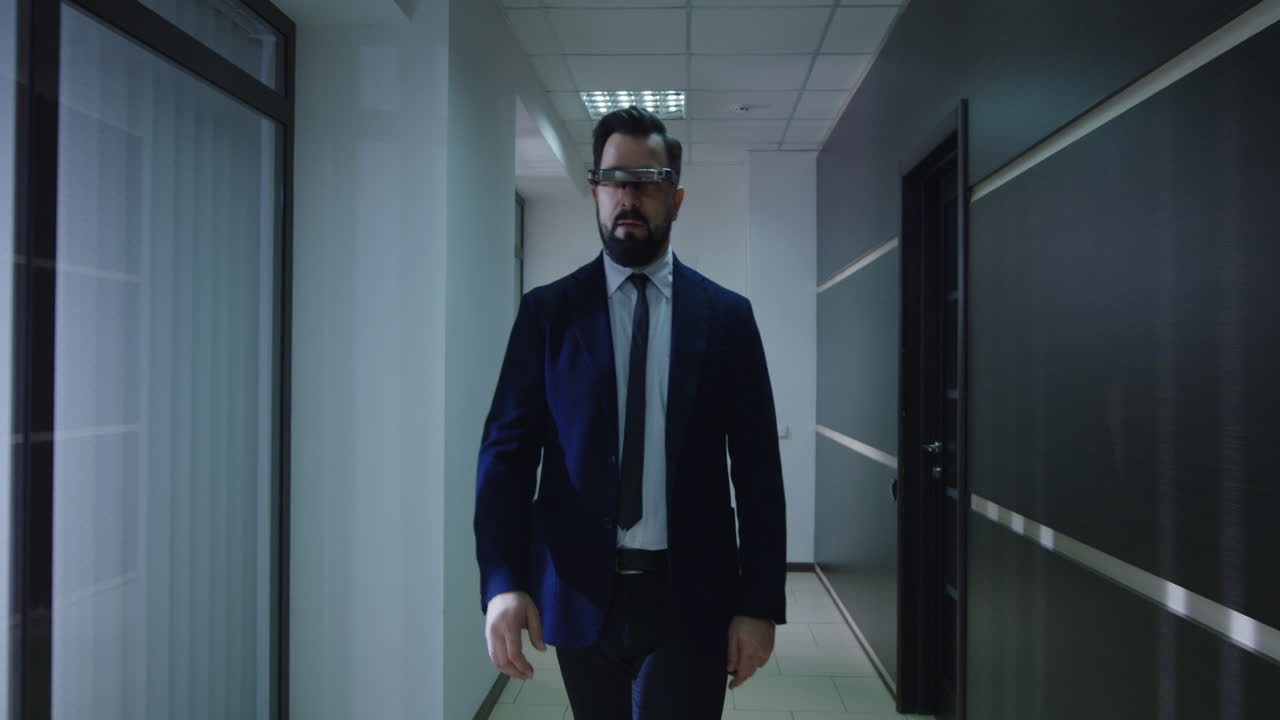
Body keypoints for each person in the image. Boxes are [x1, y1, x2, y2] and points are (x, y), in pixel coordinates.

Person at [474, 105, 787, 719]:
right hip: (580, 594)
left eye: (647, 181)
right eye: (614, 180)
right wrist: (502, 580)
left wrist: (759, 603)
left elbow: (757, 471)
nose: (629, 196)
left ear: (676, 197)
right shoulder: (549, 315)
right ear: (594, 191)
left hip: (691, 595)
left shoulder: (726, 318)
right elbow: (506, 456)